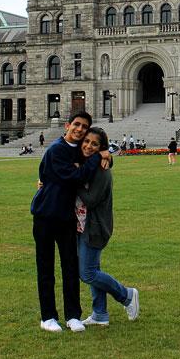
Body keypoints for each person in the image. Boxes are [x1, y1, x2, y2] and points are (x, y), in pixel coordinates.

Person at [31, 111, 110, 334]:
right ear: (67, 125)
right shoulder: (57, 149)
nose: (79, 129)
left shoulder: (82, 151)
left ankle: (73, 315)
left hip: (67, 218)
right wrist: (99, 155)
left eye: (84, 127)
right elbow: (76, 177)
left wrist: (108, 153)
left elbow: (97, 155)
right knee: (46, 267)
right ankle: (48, 317)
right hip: (46, 216)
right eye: (76, 124)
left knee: (70, 267)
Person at [75, 127, 140, 326]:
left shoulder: (102, 170)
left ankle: (127, 295)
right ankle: (100, 314)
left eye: (95, 144)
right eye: (86, 141)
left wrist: (73, 180)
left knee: (87, 273)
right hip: (80, 225)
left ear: (101, 148)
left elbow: (92, 200)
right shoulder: (87, 163)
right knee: (94, 269)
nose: (88, 146)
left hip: (95, 227)